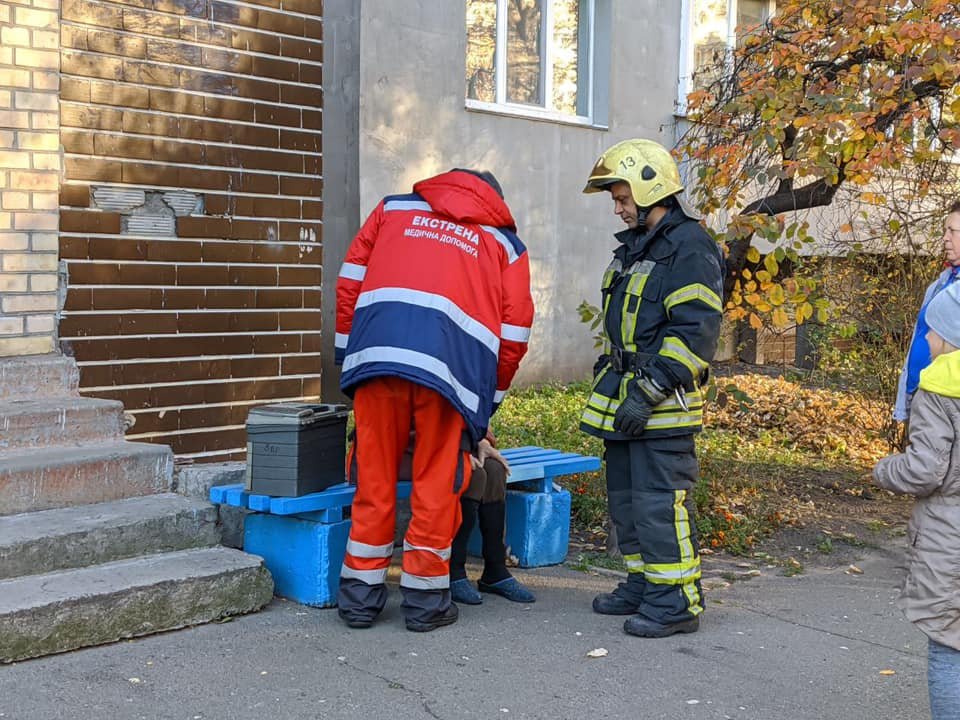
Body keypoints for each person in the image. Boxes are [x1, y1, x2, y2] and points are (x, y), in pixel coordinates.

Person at [334, 168, 534, 632]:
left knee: (374, 480)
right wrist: (485, 406)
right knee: (437, 486)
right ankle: (426, 603)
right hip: (450, 375)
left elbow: (349, 284)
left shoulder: (392, 210)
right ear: (493, 202)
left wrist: (350, 360)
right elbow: (514, 333)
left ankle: (359, 599)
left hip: (377, 360)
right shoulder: (504, 245)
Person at [579, 138, 724, 638]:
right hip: (626, 400)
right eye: (616, 200)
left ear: (649, 191)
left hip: (661, 403)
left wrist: (649, 389)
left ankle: (675, 601)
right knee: (627, 502)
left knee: (660, 504)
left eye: (622, 198)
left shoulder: (690, 247)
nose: (618, 209)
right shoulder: (639, 247)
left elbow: (696, 330)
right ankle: (644, 584)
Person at [873, 281, 960, 720]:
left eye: (932, 327)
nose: (926, 336)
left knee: (948, 646)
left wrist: (884, 469)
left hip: (950, 539)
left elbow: (926, 471)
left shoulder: (939, 389)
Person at [450, 431, 536, 605]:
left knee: (496, 470)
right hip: (426, 449)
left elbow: (477, 420)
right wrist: (457, 451)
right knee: (475, 476)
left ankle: (495, 570)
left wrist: (483, 441)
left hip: (460, 444)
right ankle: (454, 570)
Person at [894, 200, 960, 425]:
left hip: (945, 404)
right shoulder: (940, 284)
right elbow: (919, 336)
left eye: (952, 231)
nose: (945, 238)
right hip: (920, 394)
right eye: (944, 230)